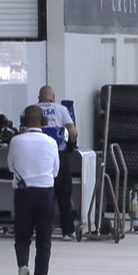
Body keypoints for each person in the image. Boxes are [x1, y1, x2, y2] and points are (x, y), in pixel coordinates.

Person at [7, 105, 59, 275]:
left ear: (23, 121)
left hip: (24, 194)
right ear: (43, 122)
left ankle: (22, 265)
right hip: (45, 193)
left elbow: (10, 167)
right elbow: (56, 171)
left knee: (22, 237)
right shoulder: (51, 142)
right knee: (44, 240)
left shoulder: (16, 141)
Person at [37, 86, 80, 241]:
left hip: (38, 156)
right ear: (53, 96)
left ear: (39, 96)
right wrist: (71, 144)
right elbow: (73, 132)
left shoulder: (32, 110)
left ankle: (41, 230)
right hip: (59, 155)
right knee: (64, 194)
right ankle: (68, 231)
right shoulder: (61, 109)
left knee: (41, 193)